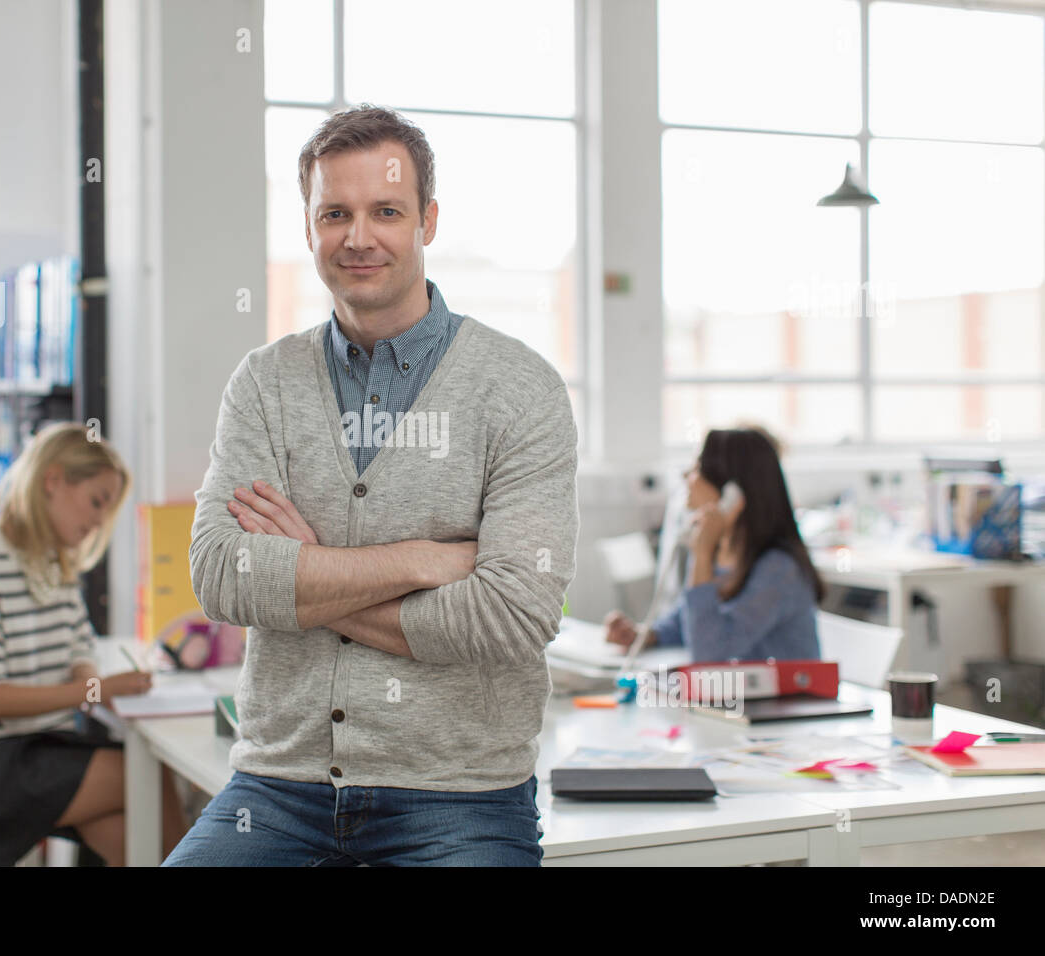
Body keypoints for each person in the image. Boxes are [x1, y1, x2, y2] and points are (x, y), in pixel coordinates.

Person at [163, 104, 578, 867]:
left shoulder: (521, 390)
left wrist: (308, 579)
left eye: (386, 210)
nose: (359, 237)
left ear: (427, 220)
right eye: (335, 213)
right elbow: (221, 577)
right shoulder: (264, 384)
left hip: (460, 794)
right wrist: (423, 559)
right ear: (309, 226)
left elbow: (515, 614)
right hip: (277, 789)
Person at [0, 422, 187, 865]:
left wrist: (88, 677)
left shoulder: (52, 564)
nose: (98, 522)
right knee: (142, 778)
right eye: (96, 502)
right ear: (52, 481)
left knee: (132, 827)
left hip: (17, 748)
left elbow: (78, 646)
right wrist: (97, 691)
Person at [604, 428, 823, 662]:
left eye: (698, 468)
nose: (687, 475)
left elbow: (709, 653)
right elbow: (688, 621)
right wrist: (645, 635)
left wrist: (702, 556)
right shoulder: (721, 552)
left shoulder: (778, 569)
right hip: (741, 696)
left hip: (793, 698)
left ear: (733, 494)